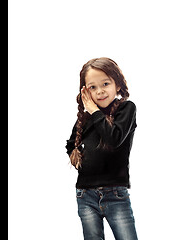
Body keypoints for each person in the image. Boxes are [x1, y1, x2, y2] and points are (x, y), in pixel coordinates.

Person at [66, 57, 138, 240]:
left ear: (118, 85)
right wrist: (83, 163)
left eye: (105, 84)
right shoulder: (85, 117)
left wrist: (95, 111)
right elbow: (71, 143)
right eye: (93, 87)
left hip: (116, 194)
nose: (100, 91)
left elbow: (114, 139)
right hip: (85, 194)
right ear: (85, 91)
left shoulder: (126, 109)